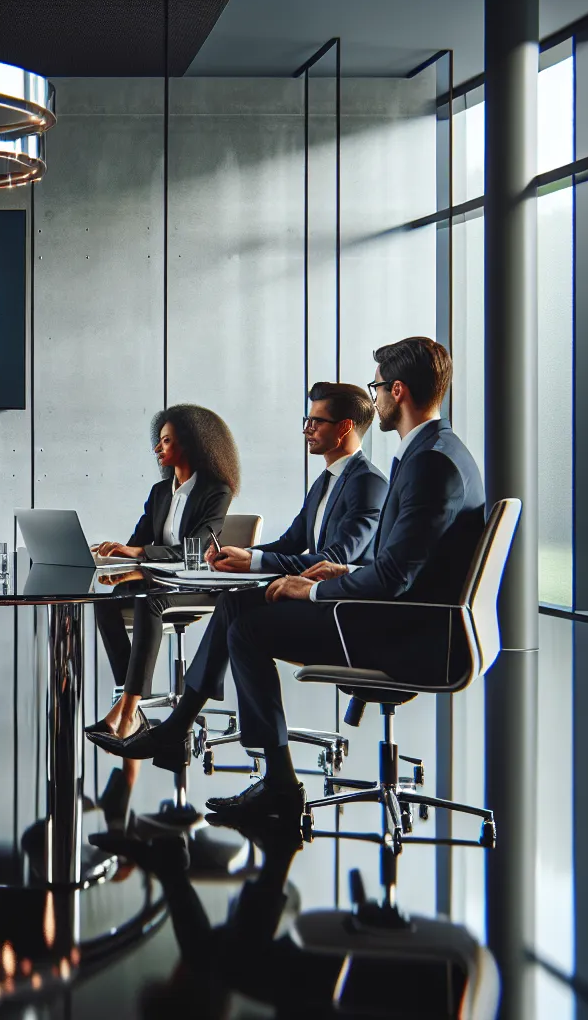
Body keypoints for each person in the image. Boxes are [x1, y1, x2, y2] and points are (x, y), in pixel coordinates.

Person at [96, 338, 485, 831]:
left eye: (379, 388)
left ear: (399, 391)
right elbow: (400, 563)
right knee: (240, 608)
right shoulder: (433, 453)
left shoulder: (430, 464)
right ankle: (203, 743)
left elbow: (394, 576)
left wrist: (315, 588)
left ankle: (260, 772)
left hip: (408, 633)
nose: (377, 398)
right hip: (400, 613)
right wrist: (310, 569)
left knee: (248, 627)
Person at [86, 404, 238, 741]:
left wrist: (138, 553)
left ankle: (127, 710)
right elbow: (137, 542)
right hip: (157, 581)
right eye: (158, 441)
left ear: (191, 443)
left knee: (149, 599)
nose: (158, 449)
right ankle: (131, 703)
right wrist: (111, 554)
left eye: (166, 441)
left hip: (197, 584)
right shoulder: (159, 493)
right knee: (105, 600)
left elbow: (193, 549)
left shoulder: (217, 491)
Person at [204, 381, 386, 577]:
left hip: (341, 599)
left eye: (317, 422)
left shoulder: (368, 482)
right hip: (311, 590)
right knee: (233, 600)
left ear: (344, 428)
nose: (307, 430)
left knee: (235, 602)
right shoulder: (323, 481)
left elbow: (336, 558)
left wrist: (252, 562)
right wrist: (241, 555)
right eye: (308, 421)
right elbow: (290, 544)